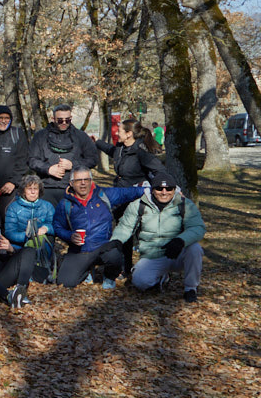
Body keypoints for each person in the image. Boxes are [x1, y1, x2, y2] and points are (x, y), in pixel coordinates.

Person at [112, 172, 205, 301]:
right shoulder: (138, 205)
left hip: (177, 252)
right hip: (152, 255)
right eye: (159, 188)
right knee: (140, 282)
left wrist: (180, 241)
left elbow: (197, 227)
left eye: (169, 188)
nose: (164, 192)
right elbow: (125, 227)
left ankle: (190, 288)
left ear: (174, 189)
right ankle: (161, 277)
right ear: (152, 189)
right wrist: (115, 242)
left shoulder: (185, 204)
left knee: (195, 249)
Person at [53, 168, 146, 288]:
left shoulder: (103, 195)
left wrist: (155, 190)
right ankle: (86, 270)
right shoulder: (65, 203)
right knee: (65, 282)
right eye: (78, 180)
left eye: (86, 179)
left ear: (91, 181)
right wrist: (70, 236)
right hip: (80, 250)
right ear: (71, 183)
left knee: (115, 253)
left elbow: (127, 193)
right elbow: (58, 227)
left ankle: (109, 276)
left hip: (103, 247)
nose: (83, 183)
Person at [29, 104, 99, 205]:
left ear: (71, 118)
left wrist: (73, 165)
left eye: (68, 120)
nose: (64, 123)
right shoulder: (40, 136)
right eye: (60, 120)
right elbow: (32, 160)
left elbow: (93, 159)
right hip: (46, 187)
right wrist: (48, 169)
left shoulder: (81, 136)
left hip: (72, 189)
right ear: (53, 119)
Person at [0, 105, 31, 216]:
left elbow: (24, 161)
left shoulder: (16, 134)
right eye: (0, 118)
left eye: (7, 118)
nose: (3, 121)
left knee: (8, 216)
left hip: (10, 188)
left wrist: (13, 182)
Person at [95, 118, 165, 187]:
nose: (116, 133)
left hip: (136, 194)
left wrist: (161, 190)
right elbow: (111, 150)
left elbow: (160, 171)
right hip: (120, 190)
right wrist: (97, 141)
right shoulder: (121, 148)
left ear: (129, 134)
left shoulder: (142, 151)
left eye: (119, 131)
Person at [2, 175, 55, 249]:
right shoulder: (13, 207)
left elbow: (55, 226)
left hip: (42, 246)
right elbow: (10, 233)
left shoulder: (47, 206)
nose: (33, 192)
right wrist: (29, 235)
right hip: (19, 247)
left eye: (35, 189)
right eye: (29, 189)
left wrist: (46, 228)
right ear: (23, 191)